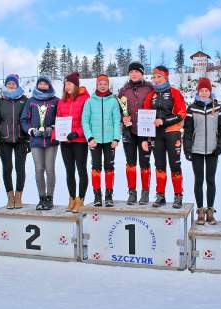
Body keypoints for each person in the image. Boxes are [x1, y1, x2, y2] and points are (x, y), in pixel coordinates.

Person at [183, 78, 221, 225]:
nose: (204, 92)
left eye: (206, 90)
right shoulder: (192, 108)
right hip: (196, 149)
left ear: (210, 91)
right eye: (201, 90)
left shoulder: (217, 108)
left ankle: (210, 211)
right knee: (199, 180)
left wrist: (219, 147)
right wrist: (187, 148)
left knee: (210, 180)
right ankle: (200, 211)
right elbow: (188, 131)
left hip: (212, 150)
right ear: (198, 91)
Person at [143, 65, 187, 209]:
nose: (156, 79)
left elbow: (181, 113)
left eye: (159, 76)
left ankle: (178, 195)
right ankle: (160, 195)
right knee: (159, 165)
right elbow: (145, 117)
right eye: (154, 77)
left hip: (172, 133)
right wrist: (145, 138)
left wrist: (164, 121)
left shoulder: (174, 92)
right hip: (157, 135)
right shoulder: (151, 95)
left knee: (175, 165)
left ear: (166, 77)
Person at [118, 61, 154, 205]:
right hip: (129, 132)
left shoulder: (150, 88)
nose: (134, 74)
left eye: (137, 71)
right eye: (131, 72)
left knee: (145, 162)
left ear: (142, 73)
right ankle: (132, 192)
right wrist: (123, 117)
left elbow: (155, 105)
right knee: (130, 163)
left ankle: (145, 192)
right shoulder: (123, 90)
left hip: (146, 132)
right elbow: (119, 109)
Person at [0, 74, 29, 209]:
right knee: (7, 169)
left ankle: (18, 196)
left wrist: (28, 139)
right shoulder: (0, 102)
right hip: (4, 140)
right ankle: (10, 196)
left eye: (14, 83)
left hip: (21, 140)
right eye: (9, 83)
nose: (11, 85)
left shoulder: (24, 100)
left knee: (20, 169)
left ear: (17, 85)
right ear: (6, 85)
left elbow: (28, 119)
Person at [82, 74, 121, 207]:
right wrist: (90, 137)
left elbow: (117, 120)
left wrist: (116, 138)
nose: (103, 86)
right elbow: (85, 121)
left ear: (108, 85)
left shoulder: (113, 101)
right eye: (100, 84)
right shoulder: (90, 101)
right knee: (96, 167)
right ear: (96, 85)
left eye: (105, 83)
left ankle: (109, 195)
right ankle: (97, 195)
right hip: (95, 141)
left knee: (109, 167)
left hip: (110, 140)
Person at [20, 77, 59, 210]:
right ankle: (41, 198)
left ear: (49, 85)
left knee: (49, 169)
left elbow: (61, 118)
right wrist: (31, 130)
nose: (43, 85)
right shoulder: (31, 101)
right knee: (38, 169)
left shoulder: (56, 101)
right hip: (36, 141)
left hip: (51, 141)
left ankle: (49, 198)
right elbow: (24, 120)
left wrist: (52, 128)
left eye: (45, 83)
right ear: (37, 85)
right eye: (40, 83)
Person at [54, 72, 90, 212]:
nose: (67, 86)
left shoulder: (85, 99)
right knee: (69, 171)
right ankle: (71, 198)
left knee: (81, 170)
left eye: (69, 84)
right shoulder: (61, 101)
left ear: (76, 85)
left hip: (79, 141)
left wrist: (77, 133)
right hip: (66, 142)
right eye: (65, 84)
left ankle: (80, 200)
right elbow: (59, 119)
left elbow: (87, 121)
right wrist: (60, 134)